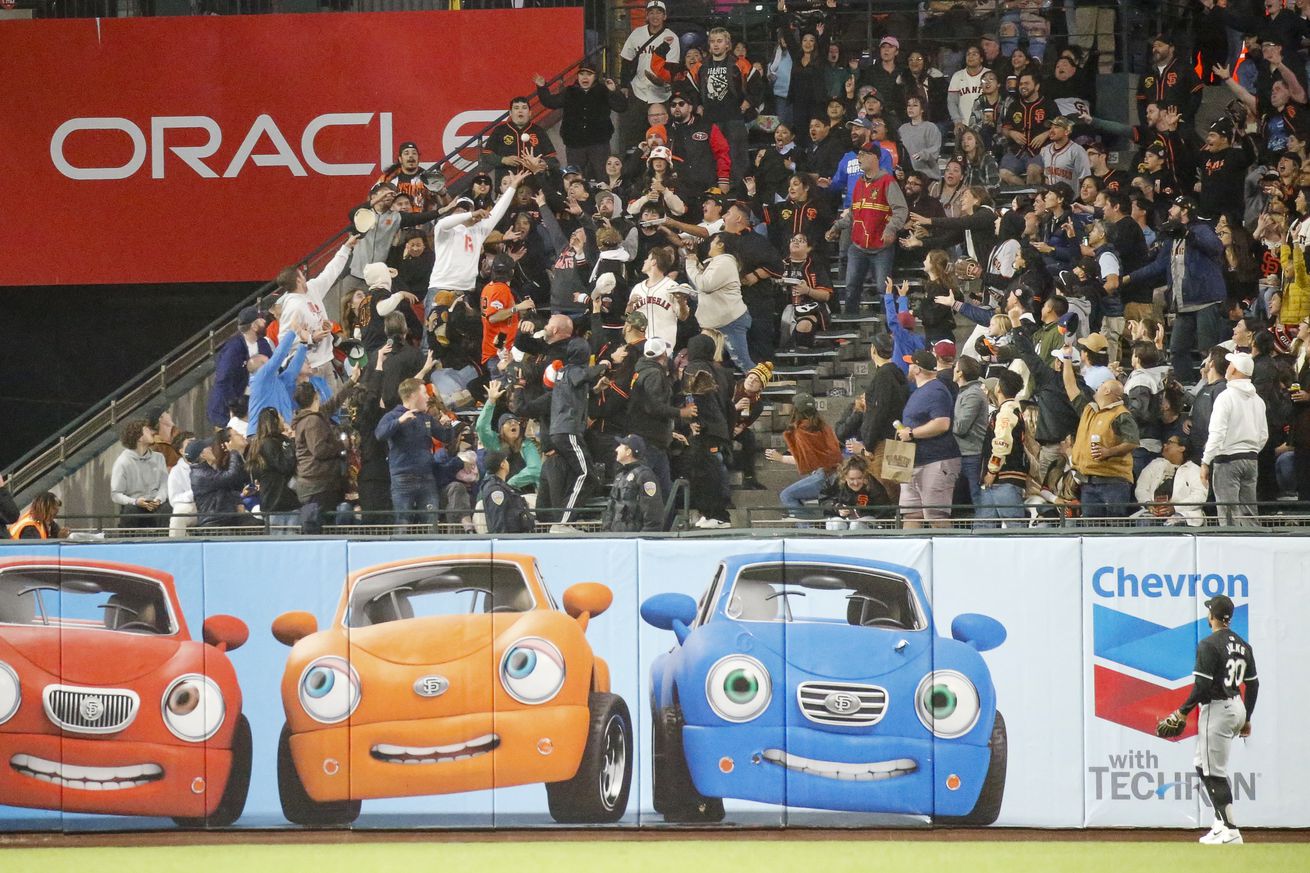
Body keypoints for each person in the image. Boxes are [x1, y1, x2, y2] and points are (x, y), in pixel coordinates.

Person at [1160, 594, 1258, 845]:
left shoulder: (1209, 644)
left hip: (1217, 708)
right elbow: (1253, 684)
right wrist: (1247, 717)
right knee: (1202, 764)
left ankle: (1231, 830)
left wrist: (1182, 711)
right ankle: (1219, 823)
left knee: (1214, 772)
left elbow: (1202, 685)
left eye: (1209, 611)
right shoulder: (1243, 645)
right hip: (1236, 707)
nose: (1207, 615)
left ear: (1212, 616)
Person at [1123, 196, 1226, 383]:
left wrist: (1188, 235)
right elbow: (1158, 266)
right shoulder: (1172, 238)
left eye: (1174, 206)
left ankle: (1211, 387)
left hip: (1205, 300)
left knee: (1207, 349)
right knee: (1177, 349)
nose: (1170, 210)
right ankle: (1185, 387)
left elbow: (1216, 247)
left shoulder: (1202, 229)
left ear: (1185, 210)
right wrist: (1130, 278)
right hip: (1183, 303)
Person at [895, 350, 961, 529]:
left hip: (936, 461)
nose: (908, 367)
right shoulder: (920, 391)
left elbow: (942, 423)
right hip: (915, 462)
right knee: (911, 514)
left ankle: (946, 555)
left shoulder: (936, 390)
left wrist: (912, 434)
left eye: (910, 364)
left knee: (936, 515)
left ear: (917, 369)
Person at [1201, 352, 1269, 527]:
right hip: (1251, 460)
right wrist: (1250, 450)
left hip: (1227, 461)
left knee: (1228, 515)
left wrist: (1206, 461)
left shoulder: (1226, 397)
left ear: (1235, 370)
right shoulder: (1258, 400)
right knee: (1249, 516)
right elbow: (1263, 436)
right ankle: (1253, 550)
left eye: (1231, 364)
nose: (1228, 367)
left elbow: (1217, 433)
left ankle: (1231, 551)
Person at [276, 236, 357, 383]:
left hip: (326, 359)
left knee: (334, 403)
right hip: (310, 367)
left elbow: (330, 272)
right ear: (298, 280)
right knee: (318, 406)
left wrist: (346, 248)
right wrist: (311, 338)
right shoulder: (292, 307)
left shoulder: (312, 288)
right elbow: (284, 342)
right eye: (302, 274)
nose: (305, 276)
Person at [841, 141, 908, 315]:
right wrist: (837, 227)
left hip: (881, 247)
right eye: (859, 154)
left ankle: (891, 328)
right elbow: (854, 213)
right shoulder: (859, 184)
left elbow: (901, 209)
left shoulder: (887, 181)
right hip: (858, 245)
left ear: (875, 158)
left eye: (863, 154)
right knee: (851, 288)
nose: (858, 158)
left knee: (883, 288)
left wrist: (891, 229)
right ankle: (849, 330)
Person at [534, 62, 628, 181]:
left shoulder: (603, 90)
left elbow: (622, 107)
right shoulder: (569, 92)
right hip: (574, 144)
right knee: (575, 178)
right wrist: (542, 87)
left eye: (589, 74)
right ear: (577, 76)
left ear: (595, 77)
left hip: (599, 143)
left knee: (603, 177)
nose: (585, 77)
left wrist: (614, 91)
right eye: (582, 74)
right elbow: (551, 102)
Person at [376, 378, 449, 526]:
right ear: (413, 395)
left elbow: (446, 437)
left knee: (431, 523)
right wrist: (399, 422)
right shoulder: (393, 416)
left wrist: (448, 426)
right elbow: (379, 434)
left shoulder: (426, 417)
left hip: (426, 476)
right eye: (424, 392)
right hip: (403, 478)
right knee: (402, 524)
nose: (428, 397)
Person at [618, 0, 682, 148]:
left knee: (662, 134)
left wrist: (660, 80)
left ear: (664, 16)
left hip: (660, 93)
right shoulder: (637, 34)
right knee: (634, 134)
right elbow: (626, 61)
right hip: (638, 89)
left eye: (658, 12)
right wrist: (623, 85)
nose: (655, 16)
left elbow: (671, 68)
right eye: (651, 13)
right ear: (646, 16)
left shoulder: (671, 37)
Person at [766, 392, 841, 517]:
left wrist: (780, 458)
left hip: (824, 475)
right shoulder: (824, 426)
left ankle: (808, 528)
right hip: (836, 472)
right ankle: (808, 521)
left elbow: (808, 461)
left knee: (787, 495)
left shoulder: (802, 431)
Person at [974, 369, 1029, 528]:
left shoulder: (1006, 412)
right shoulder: (1014, 410)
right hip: (1002, 480)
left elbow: (1002, 444)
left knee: (1014, 528)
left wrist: (992, 470)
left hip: (1004, 478)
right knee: (985, 528)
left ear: (998, 388)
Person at [207, 306, 272, 428]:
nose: (265, 321)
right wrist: (235, 407)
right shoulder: (234, 348)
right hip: (227, 411)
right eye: (261, 319)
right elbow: (223, 379)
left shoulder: (263, 344)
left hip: (254, 405)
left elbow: (273, 367)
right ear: (254, 326)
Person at [1135, 435, 1207, 526]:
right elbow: (1141, 489)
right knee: (1144, 522)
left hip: (1183, 514)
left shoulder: (1194, 469)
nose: (1165, 445)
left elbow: (1200, 495)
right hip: (1153, 513)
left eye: (1169, 443)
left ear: (1181, 448)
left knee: (1172, 524)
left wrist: (1174, 508)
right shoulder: (1154, 465)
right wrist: (1148, 503)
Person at [110, 418, 169, 529]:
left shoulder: (159, 457)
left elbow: (164, 484)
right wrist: (135, 501)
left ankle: (166, 542)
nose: (153, 433)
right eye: (147, 431)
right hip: (135, 504)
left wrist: (159, 499)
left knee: (167, 509)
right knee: (130, 511)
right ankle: (127, 543)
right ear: (139, 438)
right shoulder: (123, 462)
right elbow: (116, 494)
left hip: (155, 503)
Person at [247, 406, 300, 531]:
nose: (284, 421)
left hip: (289, 501)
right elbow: (285, 466)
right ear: (274, 421)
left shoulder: (282, 440)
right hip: (276, 503)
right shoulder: (267, 444)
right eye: (281, 417)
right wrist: (291, 446)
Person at [190, 432, 256, 528]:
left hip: (226, 517)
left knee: (256, 524)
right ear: (202, 455)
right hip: (214, 522)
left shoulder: (209, 470)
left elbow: (225, 490)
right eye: (208, 448)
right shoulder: (201, 474)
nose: (212, 449)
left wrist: (240, 498)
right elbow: (230, 476)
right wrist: (233, 452)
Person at [601, 434, 664, 532]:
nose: (616, 449)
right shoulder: (620, 476)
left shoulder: (645, 476)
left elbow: (653, 513)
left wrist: (644, 539)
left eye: (621, 446)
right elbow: (611, 508)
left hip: (634, 540)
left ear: (628, 452)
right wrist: (606, 532)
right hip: (615, 539)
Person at [952, 356, 989, 507]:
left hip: (972, 455)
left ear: (960, 373)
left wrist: (942, 422)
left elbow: (960, 427)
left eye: (955, 368)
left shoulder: (973, 394)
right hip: (963, 453)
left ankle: (984, 527)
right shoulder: (965, 392)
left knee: (977, 496)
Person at [479, 450, 536, 534]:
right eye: (506, 460)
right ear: (502, 464)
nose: (508, 463)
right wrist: (503, 542)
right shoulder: (496, 490)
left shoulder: (501, 486)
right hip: (509, 540)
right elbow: (498, 520)